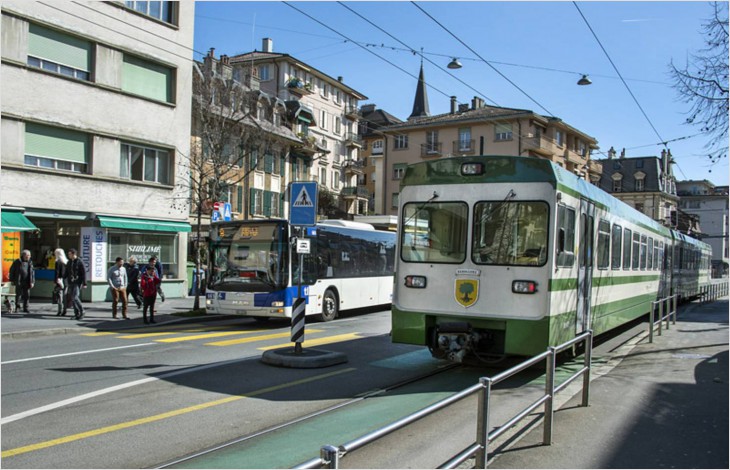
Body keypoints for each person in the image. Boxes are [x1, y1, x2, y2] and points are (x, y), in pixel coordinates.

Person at [9, 249, 35, 313]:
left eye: (29, 255)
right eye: (28, 255)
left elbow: (32, 273)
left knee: (27, 295)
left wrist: (32, 282)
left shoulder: (30, 262)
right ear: (23, 255)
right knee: (18, 295)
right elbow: (12, 271)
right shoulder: (17, 262)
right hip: (19, 281)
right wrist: (12, 280)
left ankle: (26, 308)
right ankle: (17, 308)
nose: (29, 256)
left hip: (27, 281)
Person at [65, 248, 87, 320]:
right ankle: (76, 313)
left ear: (74, 254)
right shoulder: (69, 262)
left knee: (75, 297)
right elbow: (67, 272)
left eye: (69, 254)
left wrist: (84, 283)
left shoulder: (80, 262)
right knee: (72, 298)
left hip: (77, 282)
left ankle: (82, 310)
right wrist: (61, 277)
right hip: (70, 282)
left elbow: (83, 273)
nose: (68, 255)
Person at [53, 248, 69, 316]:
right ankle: (64, 310)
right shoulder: (66, 262)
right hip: (66, 281)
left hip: (60, 280)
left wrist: (55, 280)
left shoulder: (57, 262)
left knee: (60, 296)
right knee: (65, 296)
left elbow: (57, 272)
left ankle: (60, 310)